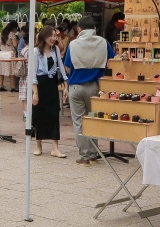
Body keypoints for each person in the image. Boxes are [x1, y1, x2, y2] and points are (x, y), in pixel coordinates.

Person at [65, 17, 114, 164]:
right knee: (93, 120)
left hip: (75, 87)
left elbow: (67, 67)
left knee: (79, 122)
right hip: (95, 88)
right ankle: (94, 154)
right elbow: (112, 62)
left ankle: (84, 156)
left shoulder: (73, 44)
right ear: (94, 29)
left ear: (79, 29)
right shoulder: (103, 43)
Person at [31, 25, 67, 157]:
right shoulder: (36, 51)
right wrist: (35, 92)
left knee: (53, 114)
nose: (53, 38)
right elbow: (33, 73)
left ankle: (55, 148)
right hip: (40, 84)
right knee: (39, 114)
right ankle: (38, 145)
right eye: (50, 36)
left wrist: (65, 85)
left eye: (54, 36)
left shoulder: (56, 49)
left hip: (52, 84)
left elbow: (61, 68)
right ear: (43, 36)